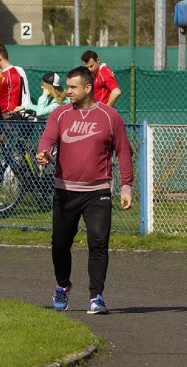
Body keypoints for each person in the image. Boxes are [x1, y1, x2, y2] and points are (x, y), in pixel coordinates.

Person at [36, 66, 133, 315]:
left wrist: (126, 187)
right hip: (65, 191)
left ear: (88, 88)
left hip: (97, 191)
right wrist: (44, 152)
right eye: (67, 86)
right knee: (59, 244)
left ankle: (96, 297)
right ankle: (62, 285)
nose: (67, 91)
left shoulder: (110, 117)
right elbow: (47, 139)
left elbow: (123, 152)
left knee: (98, 243)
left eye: (73, 87)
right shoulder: (59, 115)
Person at [0, 44, 30, 116]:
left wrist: (6, 116)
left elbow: (14, 102)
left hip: (8, 121)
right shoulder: (3, 73)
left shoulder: (12, 74)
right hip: (0, 118)